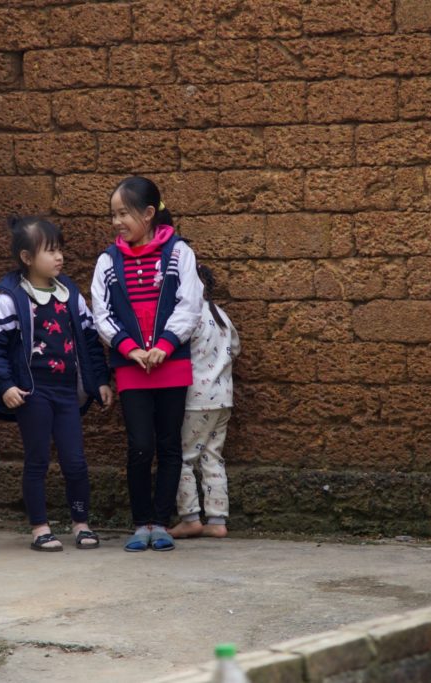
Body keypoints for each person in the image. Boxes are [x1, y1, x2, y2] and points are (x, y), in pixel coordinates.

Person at [0, 217, 112, 552]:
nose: (59, 257)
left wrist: (100, 382)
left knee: (75, 461)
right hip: (32, 392)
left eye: (60, 250)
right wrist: (5, 385)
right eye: (50, 251)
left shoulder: (71, 296)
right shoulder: (8, 299)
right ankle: (40, 528)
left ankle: (81, 523)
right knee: (37, 459)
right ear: (26, 258)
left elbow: (90, 341)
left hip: (67, 391)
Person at [91, 177, 204, 552]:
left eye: (124, 213)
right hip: (131, 367)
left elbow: (190, 304)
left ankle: (161, 522)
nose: (117, 221)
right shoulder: (108, 260)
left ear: (149, 213)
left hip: (171, 364)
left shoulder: (178, 253)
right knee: (140, 445)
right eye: (113, 214)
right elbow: (101, 313)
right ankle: (140, 523)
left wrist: (167, 345)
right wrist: (130, 349)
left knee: (169, 444)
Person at [169, 265, 240, 539]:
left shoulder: (188, 318)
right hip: (223, 398)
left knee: (184, 457)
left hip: (195, 399)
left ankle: (189, 518)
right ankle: (217, 519)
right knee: (212, 456)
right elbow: (235, 348)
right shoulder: (220, 315)